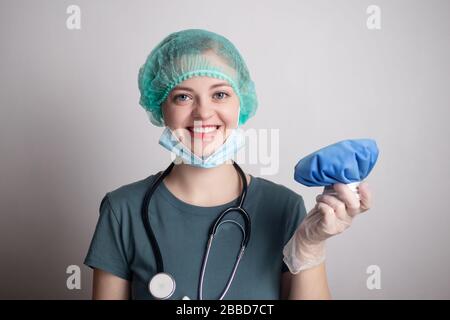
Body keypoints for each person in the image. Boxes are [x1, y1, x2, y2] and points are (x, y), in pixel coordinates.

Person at [84, 29, 372, 300]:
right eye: (183, 96)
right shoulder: (122, 210)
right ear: (161, 107)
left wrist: (310, 247)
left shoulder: (283, 207)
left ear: (241, 104)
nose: (203, 112)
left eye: (219, 94)